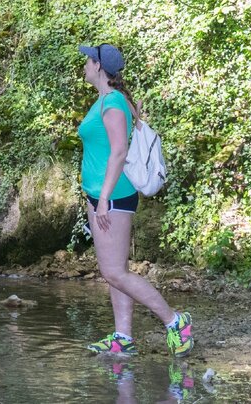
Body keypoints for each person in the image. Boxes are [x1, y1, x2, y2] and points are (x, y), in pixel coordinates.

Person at [77, 42, 194, 357]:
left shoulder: (112, 102)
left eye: (89, 60)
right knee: (115, 269)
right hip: (100, 195)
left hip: (112, 197)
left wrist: (102, 200)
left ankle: (175, 321)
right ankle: (123, 337)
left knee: (114, 272)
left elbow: (118, 152)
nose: (85, 64)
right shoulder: (108, 99)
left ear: (100, 66)